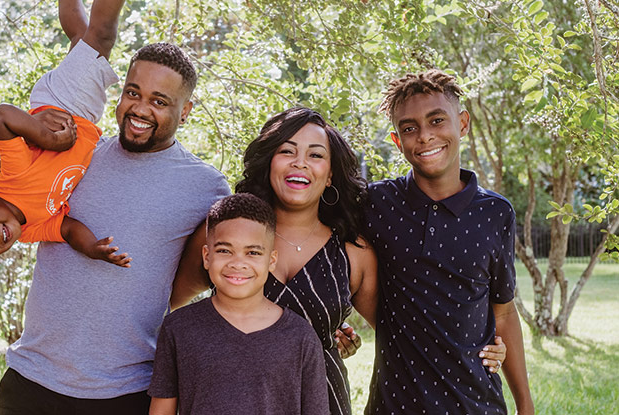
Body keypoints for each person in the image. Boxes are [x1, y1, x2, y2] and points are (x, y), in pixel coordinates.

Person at [0, 2, 230, 414]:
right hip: (31, 381)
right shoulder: (76, 157)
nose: (140, 109)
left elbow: (235, 266)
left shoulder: (206, 187)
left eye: (159, 101)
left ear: (186, 111)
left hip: (125, 393)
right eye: (132, 93)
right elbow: (3, 188)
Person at [236, 106, 508, 415]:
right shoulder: (228, 233)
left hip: (321, 400)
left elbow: (404, 331)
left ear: (330, 175)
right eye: (286, 151)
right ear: (269, 161)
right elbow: (174, 300)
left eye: (315, 155)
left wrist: (483, 348)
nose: (300, 163)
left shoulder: (352, 251)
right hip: (234, 395)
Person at [363, 69, 534, 414]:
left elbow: (503, 313)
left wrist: (525, 407)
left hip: (477, 403)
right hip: (394, 406)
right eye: (409, 128)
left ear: (463, 124)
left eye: (437, 120)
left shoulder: (496, 213)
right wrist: (332, 324)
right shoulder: (374, 204)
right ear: (398, 141)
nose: (425, 136)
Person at [0, 0, 130, 267]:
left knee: (100, 38)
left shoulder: (12, 179)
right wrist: (92, 248)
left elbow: (4, 116)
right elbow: (66, 229)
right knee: (82, 37)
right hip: (78, 111)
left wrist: (52, 140)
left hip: (67, 105)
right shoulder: (29, 231)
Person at [148, 193, 329, 414]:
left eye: (252, 252)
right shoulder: (178, 328)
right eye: (225, 251)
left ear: (271, 261)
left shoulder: (300, 337)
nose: (238, 263)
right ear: (207, 256)